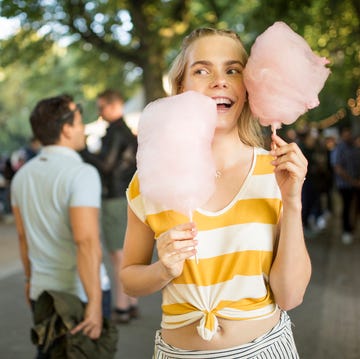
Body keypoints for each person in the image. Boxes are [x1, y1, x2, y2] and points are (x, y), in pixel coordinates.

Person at [121, 28, 311, 358]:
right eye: (202, 70)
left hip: (265, 349)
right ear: (181, 87)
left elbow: (290, 296)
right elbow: (129, 280)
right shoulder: (149, 178)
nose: (219, 80)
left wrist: (292, 202)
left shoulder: (277, 173)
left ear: (249, 88)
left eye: (233, 70)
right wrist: (162, 270)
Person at [11, 95, 116, 357]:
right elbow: (86, 242)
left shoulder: (22, 176)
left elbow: (23, 238)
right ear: (66, 129)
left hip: (42, 293)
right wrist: (94, 302)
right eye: (80, 122)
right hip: (78, 296)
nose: (82, 129)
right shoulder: (81, 174)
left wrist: (28, 281)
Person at [81, 89, 139, 324]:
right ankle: (130, 304)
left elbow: (106, 165)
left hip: (115, 197)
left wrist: (82, 150)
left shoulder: (116, 132)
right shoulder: (122, 131)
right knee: (123, 254)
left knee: (118, 255)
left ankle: (122, 306)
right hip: (122, 195)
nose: (99, 111)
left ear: (115, 107)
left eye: (102, 106)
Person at [331, 126, 359, 244]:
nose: (348, 135)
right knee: (347, 207)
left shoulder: (354, 148)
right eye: (346, 133)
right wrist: (351, 180)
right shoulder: (339, 148)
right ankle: (346, 230)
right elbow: (337, 168)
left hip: (356, 183)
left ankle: (352, 228)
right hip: (344, 184)